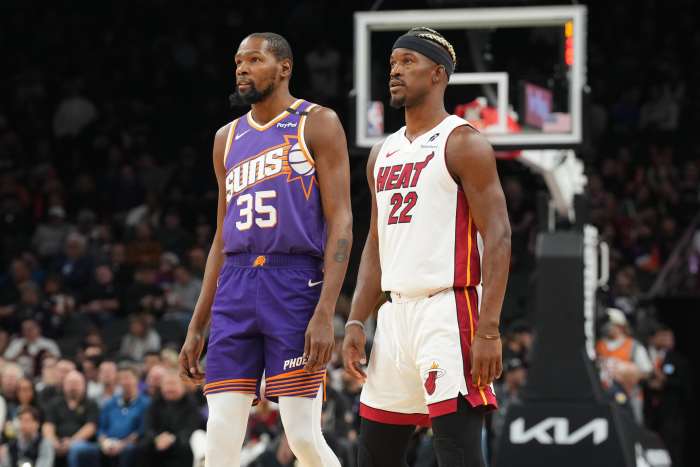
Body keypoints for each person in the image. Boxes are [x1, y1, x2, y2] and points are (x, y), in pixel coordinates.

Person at [178, 32, 352, 467]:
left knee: (303, 438)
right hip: (235, 283)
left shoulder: (318, 122)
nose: (241, 68)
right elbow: (221, 236)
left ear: (284, 68)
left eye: (254, 60)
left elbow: (342, 221)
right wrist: (197, 322)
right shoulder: (227, 138)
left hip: (293, 281)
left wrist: (326, 311)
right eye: (238, 61)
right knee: (218, 434)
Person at [342, 27, 511, 467]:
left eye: (407, 63)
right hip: (394, 315)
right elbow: (376, 244)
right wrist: (357, 319)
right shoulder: (382, 152)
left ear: (438, 74)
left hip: (449, 311)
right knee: (375, 457)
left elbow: (499, 235)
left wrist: (489, 328)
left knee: (456, 453)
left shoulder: (464, 142)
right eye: (393, 64)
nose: (395, 71)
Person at [140, 369, 202, 467]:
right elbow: (148, 426)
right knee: (143, 446)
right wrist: (157, 438)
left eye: (173, 384)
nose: (170, 388)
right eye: (167, 384)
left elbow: (191, 428)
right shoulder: (155, 403)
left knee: (186, 447)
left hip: (180, 443)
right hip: (158, 442)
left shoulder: (191, 404)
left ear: (183, 386)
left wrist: (172, 439)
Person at [42, 370, 99, 467]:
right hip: (58, 442)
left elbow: (91, 427)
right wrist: (53, 442)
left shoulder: (91, 404)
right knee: (45, 446)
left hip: (83, 443)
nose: (73, 387)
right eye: (70, 383)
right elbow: (48, 425)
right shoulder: (54, 404)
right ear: (64, 385)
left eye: (76, 383)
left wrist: (72, 442)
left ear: (84, 386)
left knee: (76, 449)